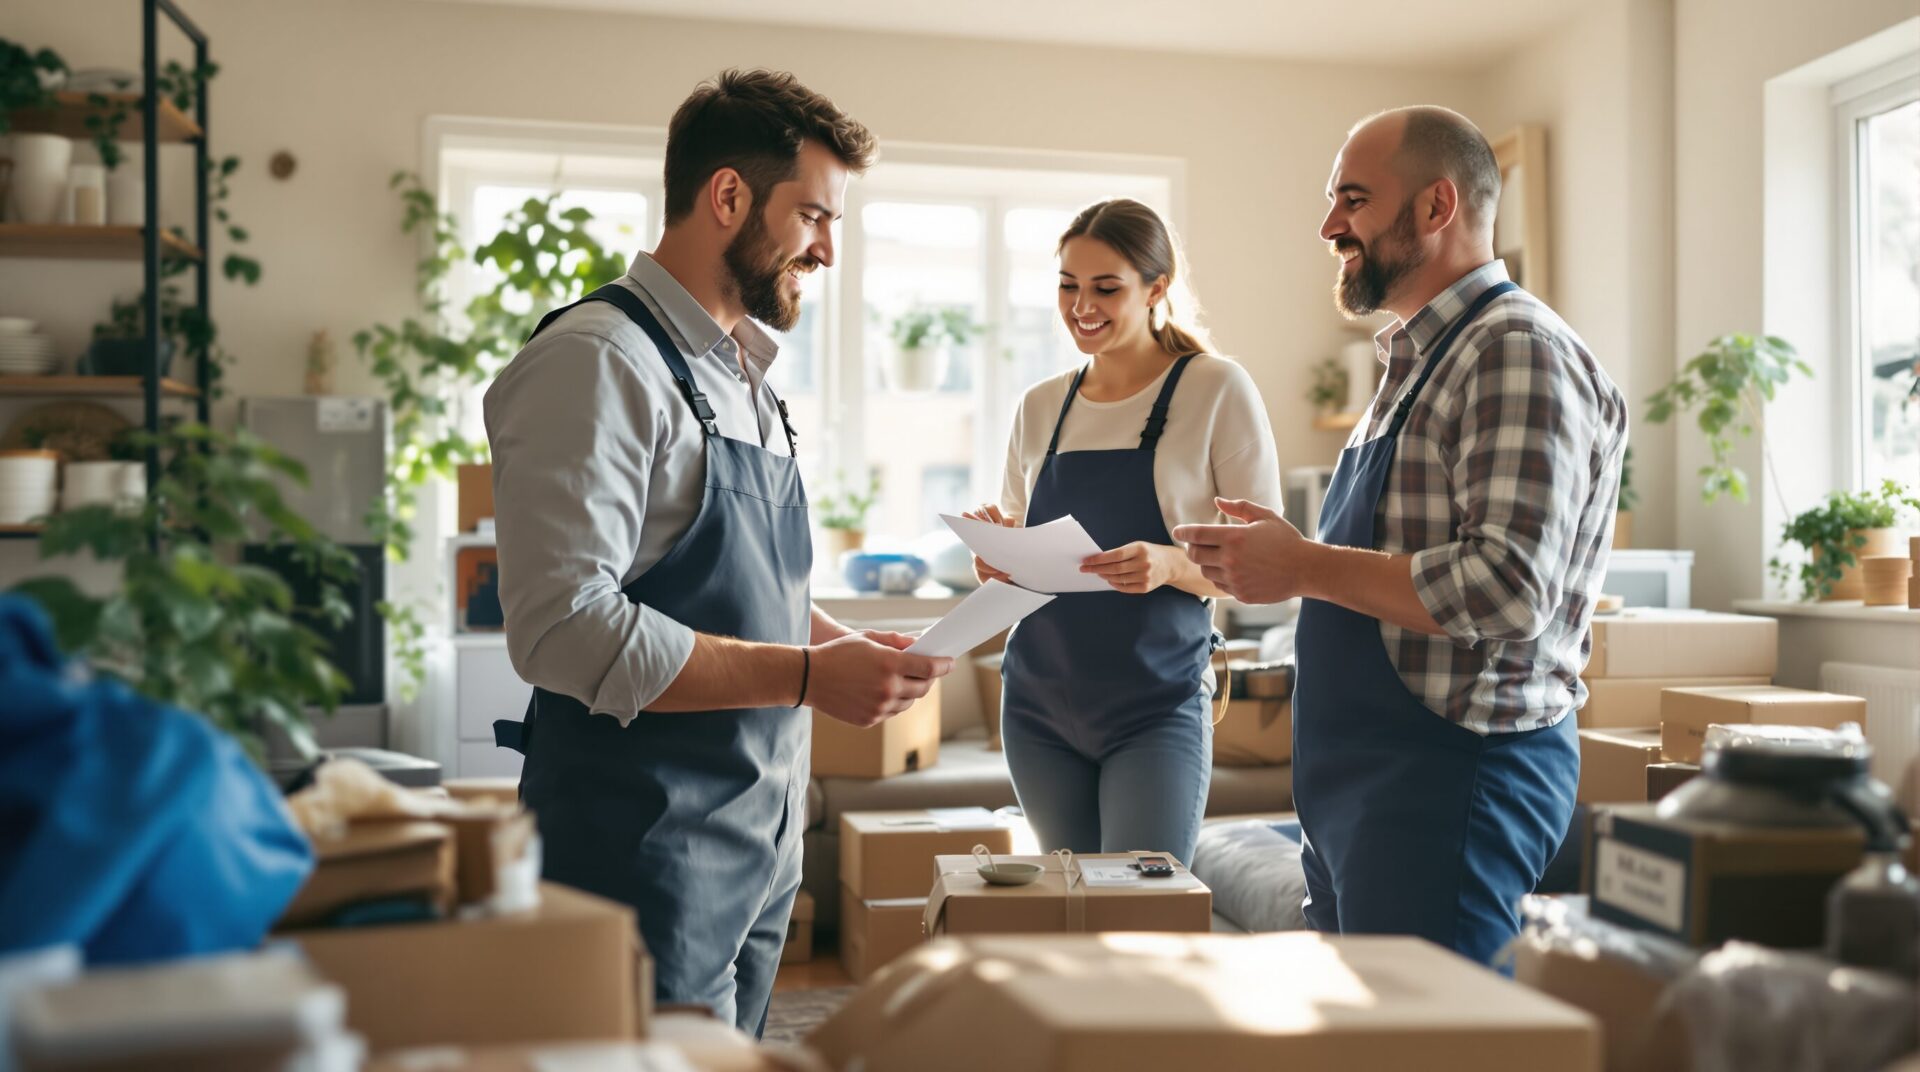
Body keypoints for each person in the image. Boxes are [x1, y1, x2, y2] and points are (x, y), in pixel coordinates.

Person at [484, 69, 953, 1034]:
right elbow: (563, 630)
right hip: (637, 850)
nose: (827, 250)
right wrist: (810, 673)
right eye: (813, 217)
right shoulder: (600, 361)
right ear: (728, 195)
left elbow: (746, 594)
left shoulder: (748, 379)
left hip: (758, 848)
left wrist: (843, 652)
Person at [1174, 107, 1627, 965]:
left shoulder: (1514, 349)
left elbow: (1506, 588)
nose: (1329, 226)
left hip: (1451, 780)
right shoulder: (1420, 360)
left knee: (1435, 1045)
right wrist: (1281, 559)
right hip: (1366, 788)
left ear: (1435, 208)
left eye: (1353, 199)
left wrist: (1301, 564)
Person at [967, 199, 1282, 866]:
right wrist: (997, 562)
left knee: (1144, 915)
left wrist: (1170, 565)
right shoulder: (1040, 406)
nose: (1082, 305)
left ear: (1156, 287)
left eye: (1106, 288)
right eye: (1067, 285)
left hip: (1157, 705)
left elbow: (1266, 566)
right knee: (1074, 912)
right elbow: (1024, 553)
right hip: (1038, 707)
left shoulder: (1215, 389)